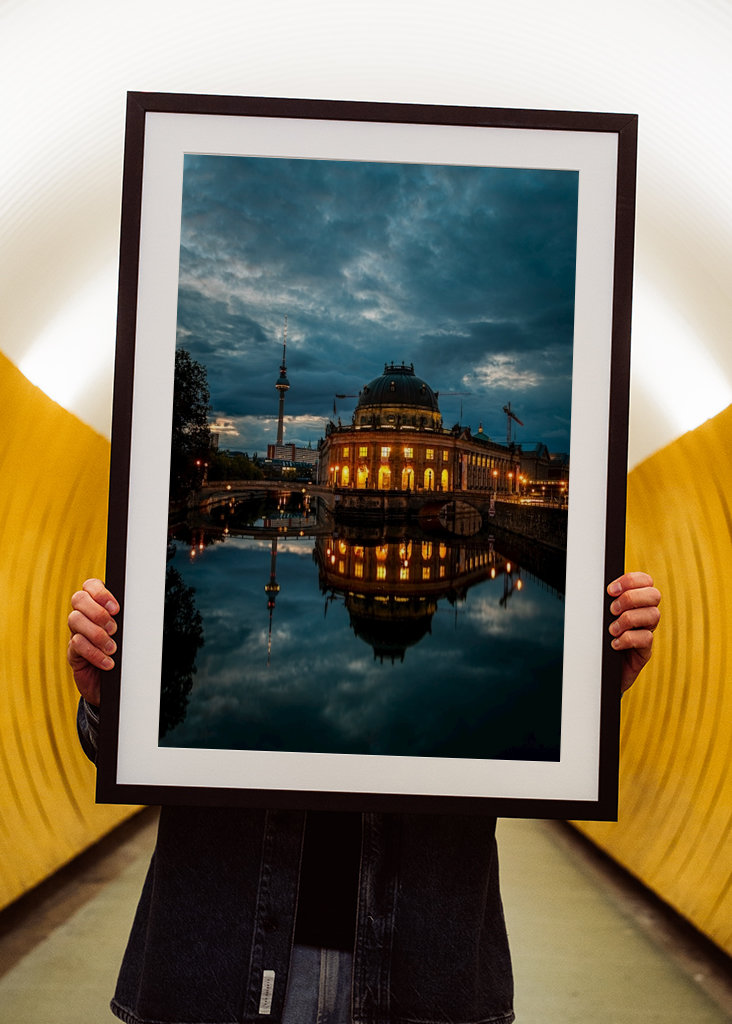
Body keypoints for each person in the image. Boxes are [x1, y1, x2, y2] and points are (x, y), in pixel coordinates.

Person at [68, 572, 661, 1024]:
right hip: (220, 959)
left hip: (422, 969)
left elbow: (528, 744)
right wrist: (109, 701)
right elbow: (126, 751)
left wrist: (589, 693)